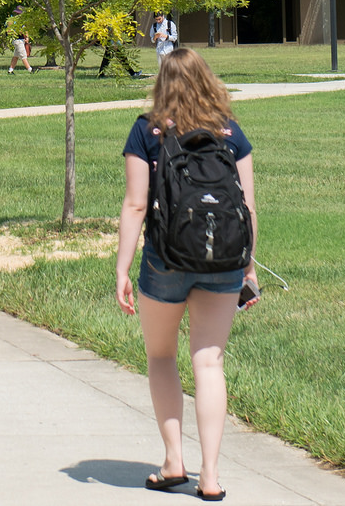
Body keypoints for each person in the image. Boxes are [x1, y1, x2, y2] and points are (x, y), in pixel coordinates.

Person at [115, 47, 258, 501]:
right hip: (224, 262)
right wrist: (248, 266)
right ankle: (210, 477)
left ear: (162, 83)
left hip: (165, 259)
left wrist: (122, 269)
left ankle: (174, 461)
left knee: (161, 357)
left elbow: (137, 204)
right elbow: (247, 207)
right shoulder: (230, 133)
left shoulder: (146, 131)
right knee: (209, 361)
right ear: (207, 80)